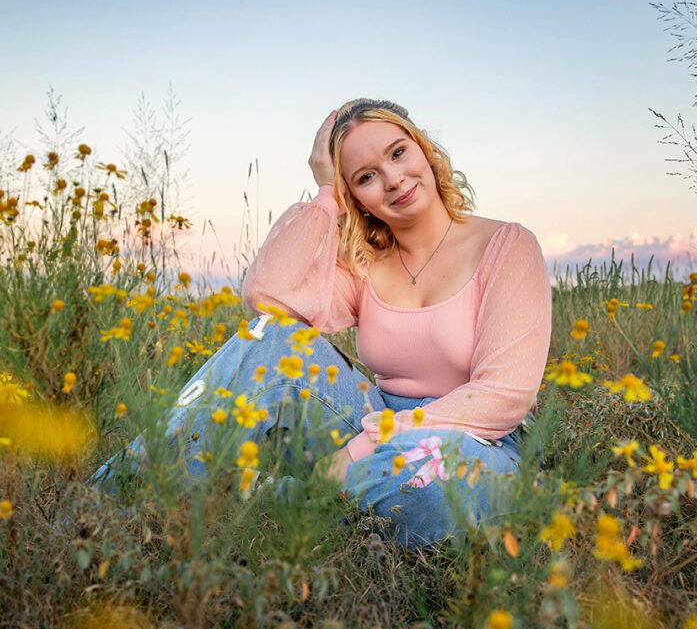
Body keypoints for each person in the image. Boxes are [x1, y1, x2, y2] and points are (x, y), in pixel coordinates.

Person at [93, 99, 551, 547]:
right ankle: (112, 502)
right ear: (357, 197)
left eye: (398, 153)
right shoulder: (365, 264)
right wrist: (326, 195)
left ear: (423, 149)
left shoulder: (506, 245)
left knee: (429, 482)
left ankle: (262, 501)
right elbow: (268, 301)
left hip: (477, 442)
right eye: (366, 177)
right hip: (373, 422)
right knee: (270, 341)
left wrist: (364, 446)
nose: (393, 180)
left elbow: (504, 395)